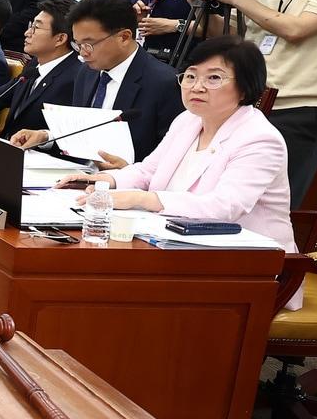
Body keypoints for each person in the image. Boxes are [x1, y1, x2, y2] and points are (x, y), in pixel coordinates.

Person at [58, 37, 299, 306]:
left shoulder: (259, 138)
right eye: (191, 76)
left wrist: (142, 199)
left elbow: (226, 207)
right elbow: (149, 170)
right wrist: (107, 180)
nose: (197, 86)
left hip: (253, 267)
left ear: (244, 88)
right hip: (178, 249)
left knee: (122, 291)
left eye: (214, 78)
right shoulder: (188, 120)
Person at [189, 0, 317, 207]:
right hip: (250, 103)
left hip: (302, 109)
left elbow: (295, 29)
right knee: (227, 198)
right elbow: (234, 34)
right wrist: (201, 3)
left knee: (278, 203)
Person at [12, 0, 183, 164]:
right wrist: (46, 136)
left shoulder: (163, 83)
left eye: (89, 44)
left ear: (123, 37)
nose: (82, 52)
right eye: (77, 44)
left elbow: (171, 158)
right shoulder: (86, 72)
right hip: (76, 175)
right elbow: (85, 131)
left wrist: (128, 171)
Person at [0, 0, 84, 137]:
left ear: (60, 39)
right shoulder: (34, 65)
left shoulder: (76, 78)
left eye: (36, 28)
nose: (27, 33)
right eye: (31, 25)